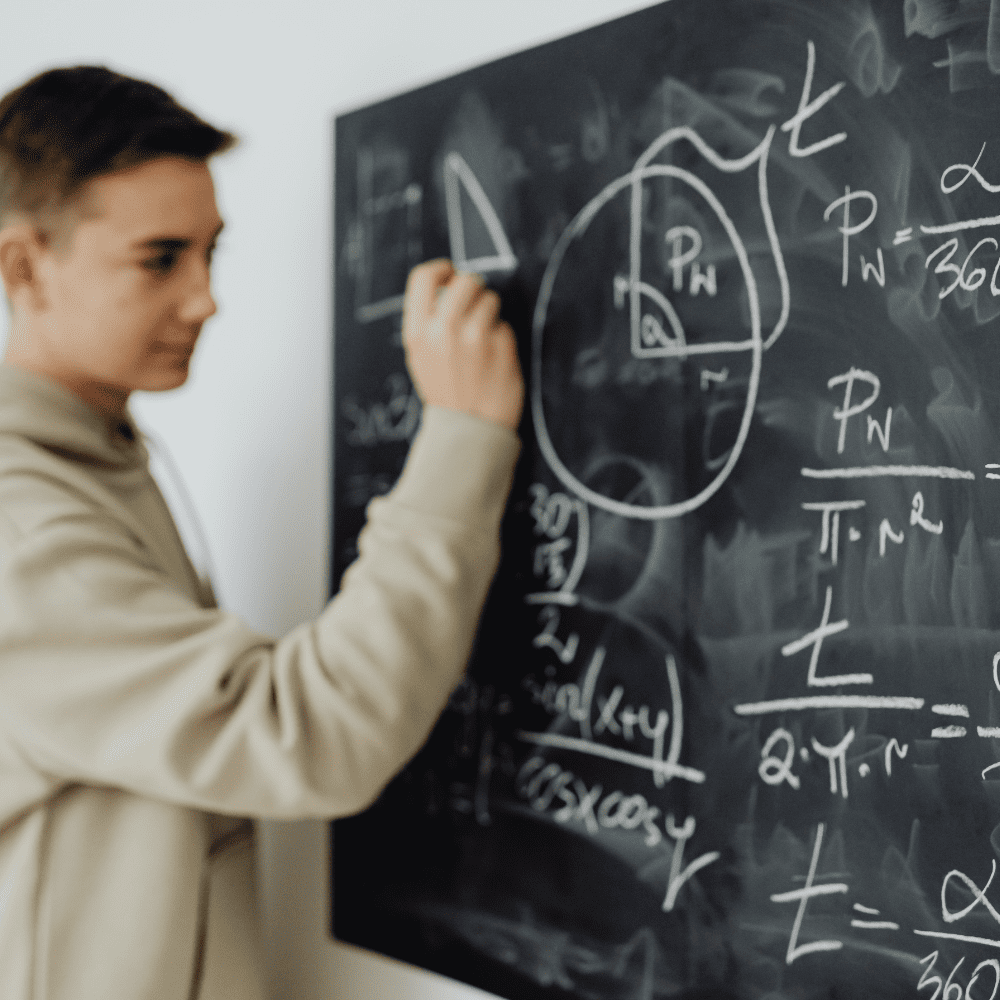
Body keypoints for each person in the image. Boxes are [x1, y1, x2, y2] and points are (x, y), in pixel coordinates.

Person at [0, 66, 523, 1000]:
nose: (205, 299)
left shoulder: (96, 457)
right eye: (160, 258)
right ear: (23, 267)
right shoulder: (21, 522)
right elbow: (306, 735)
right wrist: (463, 440)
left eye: (212, 253)